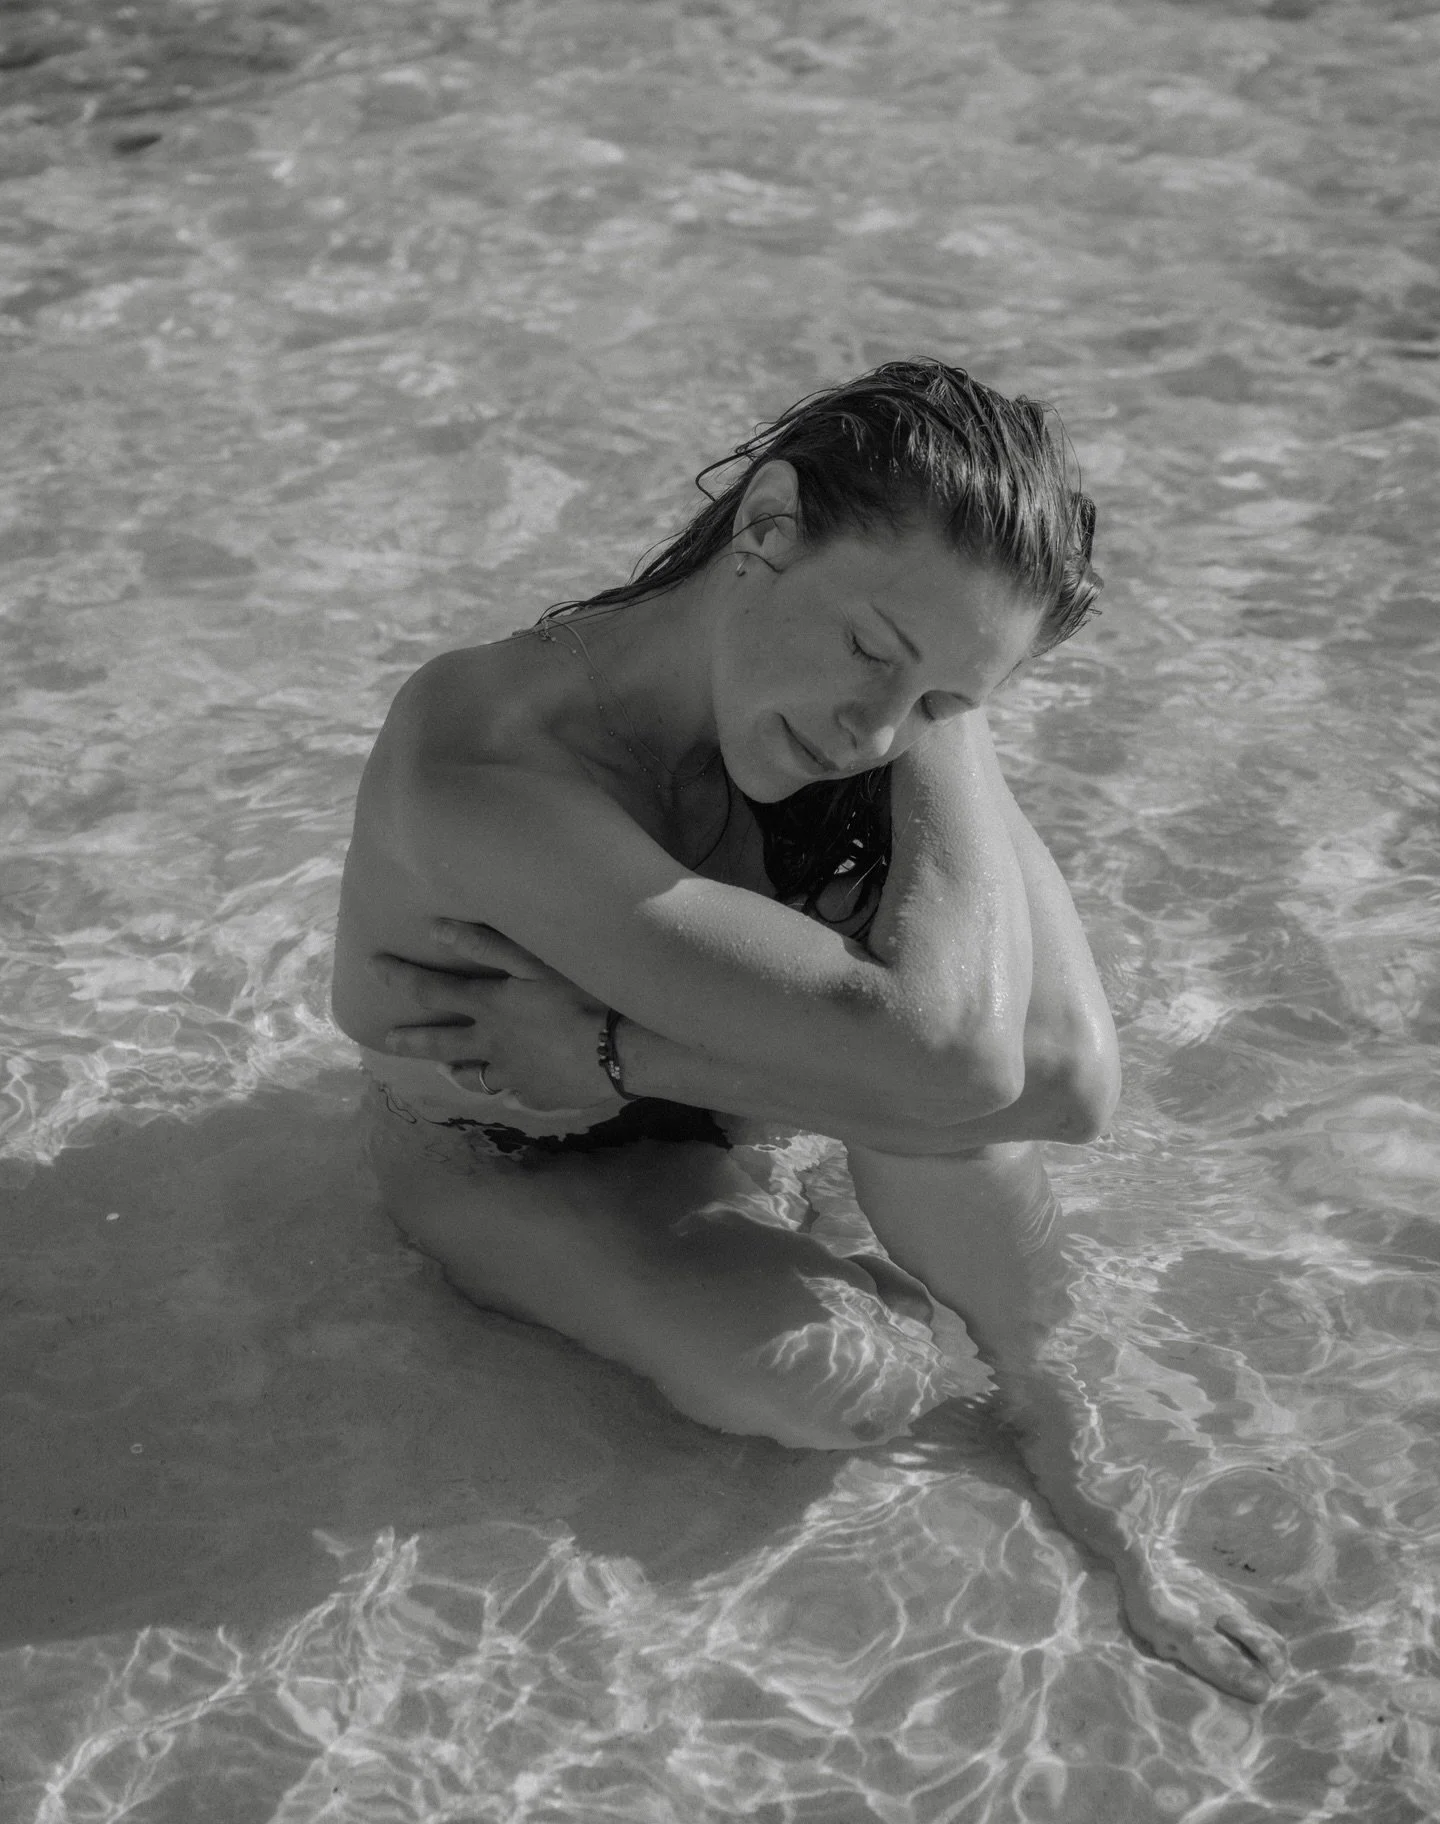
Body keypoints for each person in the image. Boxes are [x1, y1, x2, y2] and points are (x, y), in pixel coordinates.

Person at [331, 360, 1285, 1701]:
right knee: (848, 1382)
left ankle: (1073, 1446)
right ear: (766, 525)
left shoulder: (871, 718)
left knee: (953, 1090)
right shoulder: (482, 766)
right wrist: (870, 1056)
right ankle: (895, 1294)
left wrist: (620, 1051)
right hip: (520, 1150)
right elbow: (957, 1061)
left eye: (946, 705)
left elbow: (1066, 1083)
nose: (872, 734)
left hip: (674, 1078)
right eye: (875, 653)